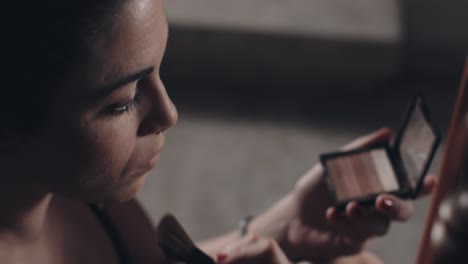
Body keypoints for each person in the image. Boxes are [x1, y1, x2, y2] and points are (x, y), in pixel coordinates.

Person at [0, 0, 437, 263]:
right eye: (123, 101)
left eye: (158, 71)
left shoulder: (85, 190)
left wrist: (283, 224)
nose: (168, 113)